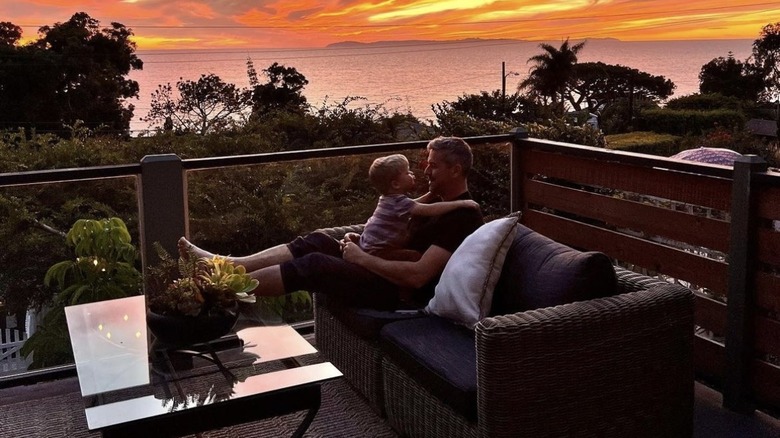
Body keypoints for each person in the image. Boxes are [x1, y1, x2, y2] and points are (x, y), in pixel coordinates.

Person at [179, 136, 484, 309]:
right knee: (318, 240)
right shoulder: (435, 202)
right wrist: (361, 239)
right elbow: (395, 230)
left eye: (433, 166)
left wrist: (361, 256)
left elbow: (417, 276)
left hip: (398, 293)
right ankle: (231, 263)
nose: (425, 171)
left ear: (456, 170)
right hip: (381, 266)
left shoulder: (461, 216)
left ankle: (224, 288)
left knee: (314, 264)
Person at [353, 153, 479, 262]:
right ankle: (403, 290)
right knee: (414, 256)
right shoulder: (401, 203)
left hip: (367, 247)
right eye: (407, 172)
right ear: (395, 184)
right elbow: (426, 209)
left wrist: (431, 194)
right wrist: (461, 203)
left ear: (456, 170)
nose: (413, 173)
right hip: (378, 252)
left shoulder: (390, 200)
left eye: (433, 165)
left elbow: (414, 204)